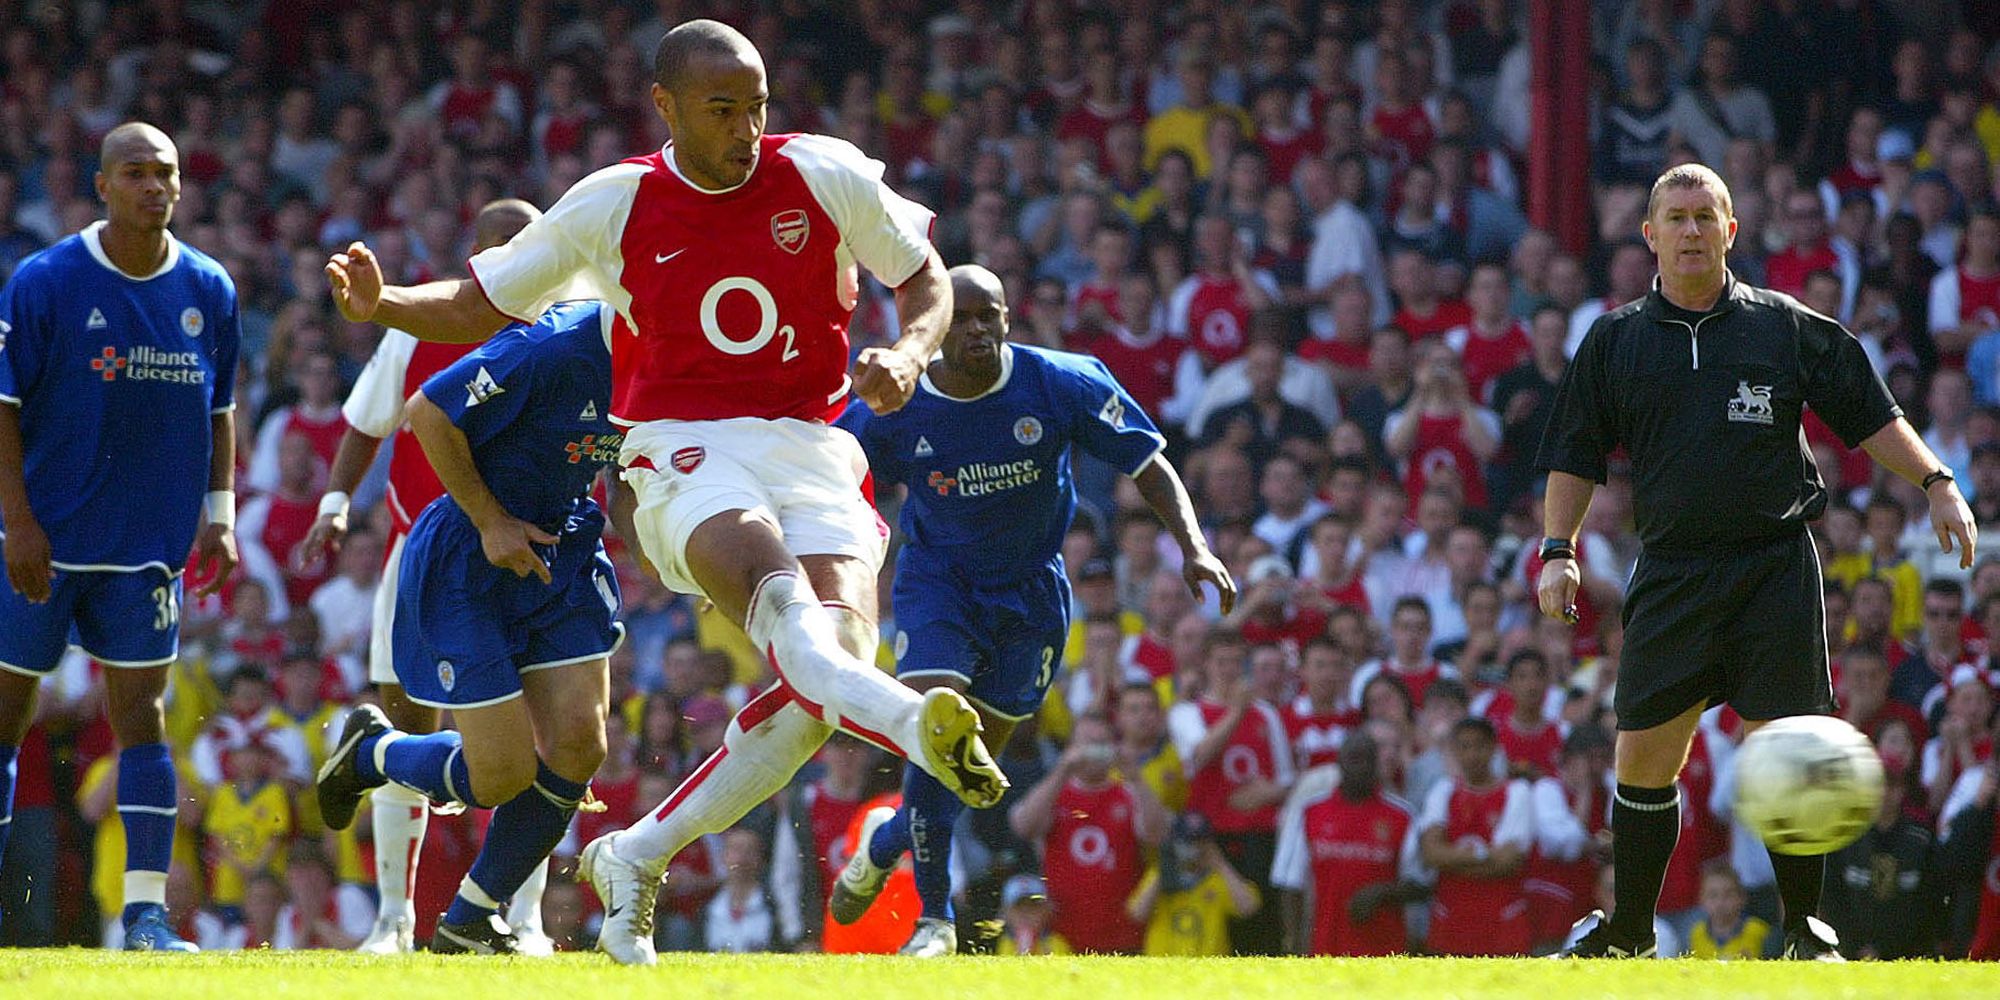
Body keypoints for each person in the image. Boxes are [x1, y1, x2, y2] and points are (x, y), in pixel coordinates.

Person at [322, 20, 1007, 966]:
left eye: (756, 107)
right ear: (667, 107)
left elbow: (926, 277)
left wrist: (907, 348)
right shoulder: (617, 201)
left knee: (825, 684)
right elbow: (488, 302)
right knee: (788, 619)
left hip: (814, 446)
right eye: (722, 109)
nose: (743, 127)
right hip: (683, 449)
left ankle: (635, 856)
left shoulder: (823, 172)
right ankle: (912, 726)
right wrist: (386, 302)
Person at [1537, 163, 1978, 960]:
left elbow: (1869, 410)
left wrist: (1937, 481)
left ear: (1732, 230)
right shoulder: (1615, 340)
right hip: (1672, 570)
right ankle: (1632, 934)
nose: (1693, 230)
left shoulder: (1784, 326)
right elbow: (1573, 454)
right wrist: (1558, 550)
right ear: (1650, 236)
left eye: (1708, 216)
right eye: (1677, 217)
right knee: (1642, 757)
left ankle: (1803, 928)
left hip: (1775, 567)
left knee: (1795, 751)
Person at [823, 264, 1230, 955]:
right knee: (936, 729)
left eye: (993, 315)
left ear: (1011, 318)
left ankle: (886, 842)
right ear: (936, 328)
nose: (980, 330)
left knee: (968, 768)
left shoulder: (1061, 381)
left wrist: (1193, 547)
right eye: (965, 318)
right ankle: (934, 921)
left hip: (1030, 594)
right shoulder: (898, 404)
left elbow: (1149, 464)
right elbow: (823, 469)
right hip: (938, 585)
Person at [315, 300, 624, 954]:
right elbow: (426, 412)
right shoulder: (552, 344)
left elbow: (627, 471)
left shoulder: (676, 364)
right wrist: (490, 521)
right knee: (502, 775)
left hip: (561, 550)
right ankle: (372, 752)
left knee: (579, 743)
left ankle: (471, 917)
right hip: (470, 558)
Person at [0, 122, 240, 952]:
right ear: (101, 185)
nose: (154, 187)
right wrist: (18, 522)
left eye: (166, 173)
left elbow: (221, 412)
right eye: (135, 173)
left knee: (144, 722)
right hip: (46, 546)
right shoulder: (45, 280)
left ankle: (146, 918)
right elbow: (3, 409)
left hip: (146, 551)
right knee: (5, 720)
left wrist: (222, 515)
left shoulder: (209, 288)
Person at [303, 198, 544, 955]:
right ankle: (392, 921)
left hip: (529, 555)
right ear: (476, 257)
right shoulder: (419, 329)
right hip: (423, 555)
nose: (518, 260)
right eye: (503, 247)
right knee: (410, 720)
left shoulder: (567, 332)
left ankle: (523, 918)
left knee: (537, 737)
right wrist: (338, 502)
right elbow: (368, 423)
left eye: (530, 245)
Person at [1008, 712, 1168, 955]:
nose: (1095, 752)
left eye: (1102, 744)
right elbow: (1023, 826)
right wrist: (1063, 769)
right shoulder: (1055, 794)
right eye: (1088, 744)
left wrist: (1135, 776)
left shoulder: (1128, 793)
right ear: (1072, 746)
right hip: (1062, 940)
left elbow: (1159, 834)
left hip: (1123, 937)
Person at [1269, 731, 1422, 956]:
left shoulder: (1402, 816)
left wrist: (1381, 894)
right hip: (1326, 948)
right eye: (1354, 759)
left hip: (1385, 951)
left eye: (1367, 760)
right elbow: (1290, 885)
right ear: (1339, 763)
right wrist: (1292, 946)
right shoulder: (1310, 812)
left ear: (1376, 764)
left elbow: (1421, 884)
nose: (1361, 768)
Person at [1416, 717, 1536, 956]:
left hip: (1502, 924)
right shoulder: (1443, 791)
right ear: (1454, 751)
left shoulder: (1516, 792)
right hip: (1451, 923)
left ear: (1493, 748)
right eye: (1464, 747)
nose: (1472, 755)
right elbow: (1430, 854)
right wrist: (1484, 854)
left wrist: (1451, 861)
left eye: (1479, 746)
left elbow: (1509, 862)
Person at [1687, 861, 1771, 960]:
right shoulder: (1696, 934)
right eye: (1713, 895)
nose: (1720, 902)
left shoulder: (1757, 931)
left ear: (1741, 898)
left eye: (1729, 894)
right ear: (1702, 900)